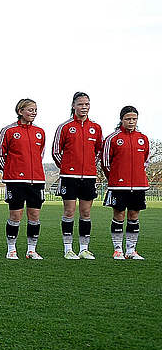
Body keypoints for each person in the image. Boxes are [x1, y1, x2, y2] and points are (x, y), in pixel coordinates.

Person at [51, 92, 103, 259]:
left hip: (88, 177)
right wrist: (68, 167)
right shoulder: (64, 127)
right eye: (80, 104)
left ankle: (84, 249)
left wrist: (88, 167)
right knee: (69, 212)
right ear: (73, 106)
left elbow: (98, 151)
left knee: (86, 213)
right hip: (69, 177)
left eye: (87, 104)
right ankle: (68, 249)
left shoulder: (96, 127)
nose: (84, 107)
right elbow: (56, 151)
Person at [0, 98, 48, 259]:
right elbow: (0, 154)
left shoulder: (40, 132)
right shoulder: (8, 131)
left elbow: (41, 154)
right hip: (15, 181)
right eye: (30, 110)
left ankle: (31, 250)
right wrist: (12, 170)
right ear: (20, 111)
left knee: (34, 215)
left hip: (36, 180)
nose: (33, 113)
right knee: (15, 215)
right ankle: (11, 249)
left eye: (35, 110)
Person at [101, 106, 148, 260]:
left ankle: (131, 250)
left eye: (134, 119)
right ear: (121, 119)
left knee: (134, 215)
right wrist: (116, 178)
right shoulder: (112, 139)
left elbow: (145, 161)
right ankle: (117, 250)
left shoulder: (143, 138)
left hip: (139, 185)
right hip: (118, 186)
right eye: (128, 119)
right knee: (119, 215)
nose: (131, 122)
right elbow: (106, 163)